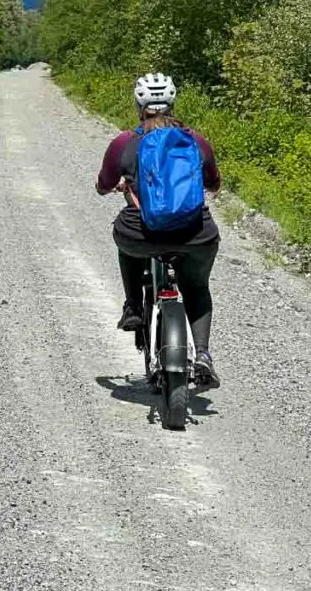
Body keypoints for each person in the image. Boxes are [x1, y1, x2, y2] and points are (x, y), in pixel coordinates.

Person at [95, 72, 222, 389]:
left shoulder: (125, 142)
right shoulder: (195, 140)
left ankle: (134, 306)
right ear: (173, 102)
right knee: (196, 288)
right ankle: (203, 354)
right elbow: (214, 182)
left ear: (138, 104)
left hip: (142, 235)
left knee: (125, 240)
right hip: (197, 234)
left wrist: (121, 183)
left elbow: (103, 185)